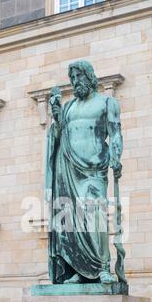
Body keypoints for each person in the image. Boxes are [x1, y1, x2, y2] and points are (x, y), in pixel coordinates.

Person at [45, 60, 124, 285]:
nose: (76, 82)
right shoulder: (69, 107)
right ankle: (81, 270)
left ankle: (103, 268)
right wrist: (57, 116)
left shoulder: (107, 103)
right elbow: (59, 136)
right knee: (71, 221)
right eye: (73, 78)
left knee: (94, 214)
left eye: (79, 77)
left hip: (94, 169)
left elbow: (115, 134)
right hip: (68, 168)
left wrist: (116, 157)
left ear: (89, 76)